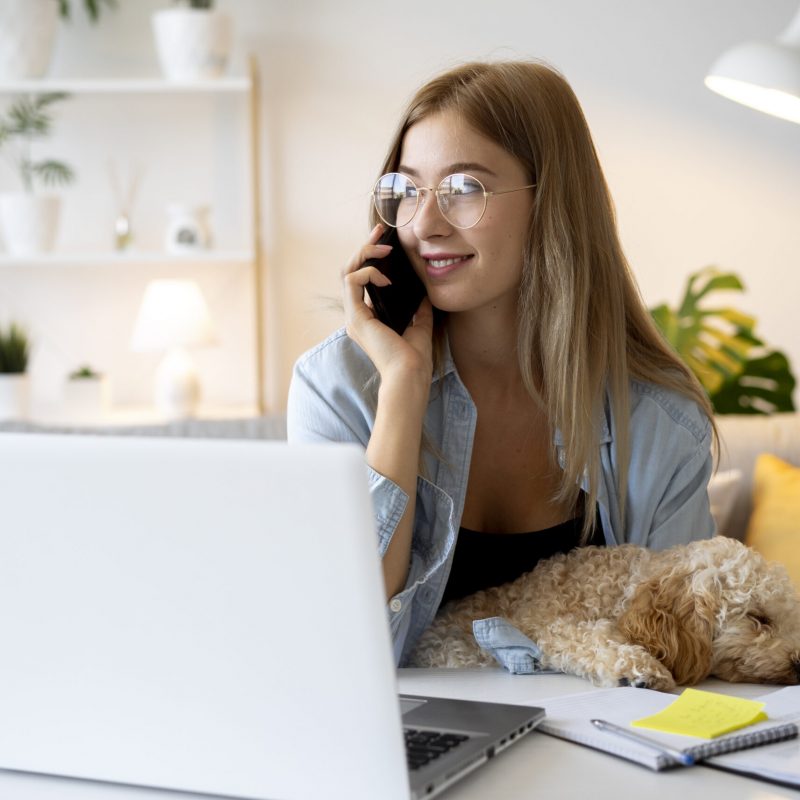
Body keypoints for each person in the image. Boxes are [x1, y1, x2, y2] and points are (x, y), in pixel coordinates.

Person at [287, 60, 716, 667]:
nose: (424, 224)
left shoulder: (658, 425)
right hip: (403, 745)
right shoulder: (337, 386)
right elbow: (339, 648)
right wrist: (403, 388)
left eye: (464, 189)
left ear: (552, 203)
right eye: (407, 190)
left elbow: (688, 658)